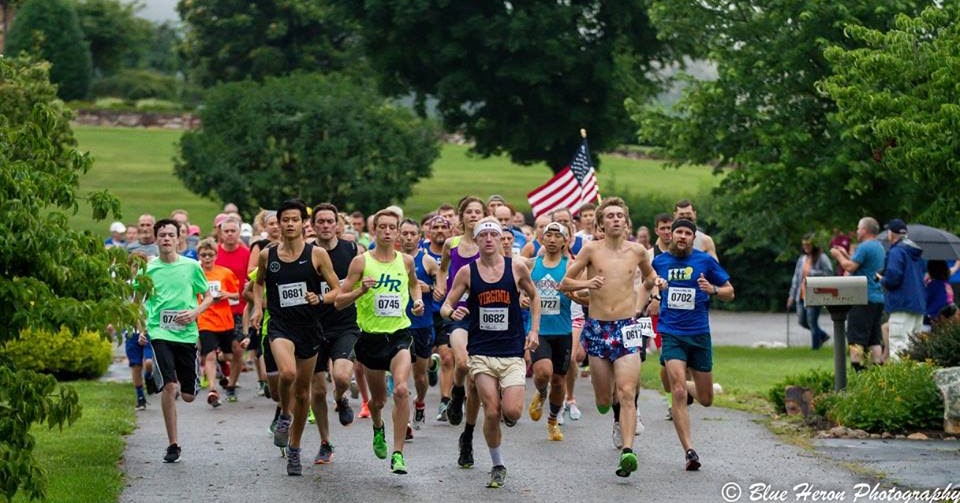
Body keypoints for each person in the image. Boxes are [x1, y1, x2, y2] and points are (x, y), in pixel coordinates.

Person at [559, 197, 658, 478]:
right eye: (610, 216)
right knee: (604, 398)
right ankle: (613, 411)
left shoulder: (638, 251)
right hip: (598, 328)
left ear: (626, 222)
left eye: (620, 216)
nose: (616, 219)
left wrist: (653, 290)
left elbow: (650, 278)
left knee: (627, 391)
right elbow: (564, 283)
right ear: (601, 223)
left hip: (627, 327)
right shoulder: (591, 249)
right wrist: (587, 283)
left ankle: (628, 451)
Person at [441, 217, 540, 488]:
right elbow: (446, 305)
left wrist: (534, 331)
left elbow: (535, 297)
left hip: (512, 351)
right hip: (481, 352)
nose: (488, 239)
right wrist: (451, 312)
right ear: (476, 240)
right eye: (482, 235)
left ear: (500, 239)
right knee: (492, 411)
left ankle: (502, 419)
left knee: (513, 412)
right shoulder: (467, 273)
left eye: (493, 235)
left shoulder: (516, 267)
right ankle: (498, 464)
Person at [251, 199, 341, 476]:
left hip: (309, 328)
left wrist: (320, 298)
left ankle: (295, 448)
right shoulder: (267, 255)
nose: (289, 224)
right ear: (278, 224)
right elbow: (257, 283)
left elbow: (337, 289)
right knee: (287, 373)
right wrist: (258, 307)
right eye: (285, 220)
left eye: (294, 219)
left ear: (303, 223)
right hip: (280, 326)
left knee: (303, 394)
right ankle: (284, 415)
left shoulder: (317, 254)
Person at [336, 208, 425, 475]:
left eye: (392, 227)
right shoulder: (361, 262)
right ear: (374, 231)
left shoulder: (406, 261)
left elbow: (414, 284)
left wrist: (418, 301)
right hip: (370, 338)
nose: (387, 231)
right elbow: (339, 301)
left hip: (399, 335)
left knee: (401, 390)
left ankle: (398, 453)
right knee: (378, 401)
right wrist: (361, 290)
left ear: (397, 232)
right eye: (382, 227)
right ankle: (378, 427)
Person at [653, 218, 734, 471]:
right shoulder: (659, 262)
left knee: (706, 399)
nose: (683, 236)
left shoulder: (704, 261)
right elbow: (645, 284)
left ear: (693, 238)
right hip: (671, 333)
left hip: (699, 334)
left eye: (688, 233)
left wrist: (712, 290)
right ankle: (689, 451)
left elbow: (730, 292)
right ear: (671, 235)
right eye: (679, 232)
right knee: (677, 391)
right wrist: (654, 290)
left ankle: (688, 385)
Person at [140, 218, 214, 463]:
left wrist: (194, 313)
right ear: (156, 238)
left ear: (179, 238)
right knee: (170, 386)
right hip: (159, 331)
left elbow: (208, 296)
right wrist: (141, 328)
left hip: (186, 334)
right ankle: (173, 444)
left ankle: (188, 380)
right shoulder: (147, 269)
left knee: (188, 396)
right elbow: (137, 303)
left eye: (171, 235)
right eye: (162, 235)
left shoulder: (191, 266)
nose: (166, 239)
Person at [309, 203, 363, 464]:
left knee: (341, 376)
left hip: (345, 324)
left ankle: (341, 397)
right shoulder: (307, 253)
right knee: (318, 391)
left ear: (337, 224)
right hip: (313, 327)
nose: (326, 226)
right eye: (320, 221)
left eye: (330, 221)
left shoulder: (351, 250)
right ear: (313, 226)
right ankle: (325, 442)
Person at [433, 197, 485, 468]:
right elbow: (443, 269)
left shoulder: (489, 244)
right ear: (461, 216)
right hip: (457, 313)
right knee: (462, 363)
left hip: (484, 316)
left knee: (475, 380)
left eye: (478, 212)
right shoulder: (451, 244)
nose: (474, 216)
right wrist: (442, 288)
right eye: (469, 212)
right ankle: (456, 393)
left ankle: (468, 435)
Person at [525, 222, 575, 441]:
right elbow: (518, 287)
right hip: (539, 330)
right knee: (543, 372)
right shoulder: (531, 264)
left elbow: (584, 292)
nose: (553, 239)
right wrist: (521, 297)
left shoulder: (570, 266)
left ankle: (553, 420)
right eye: (549, 235)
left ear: (565, 241)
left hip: (563, 330)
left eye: (558, 236)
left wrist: (579, 294)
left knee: (559, 380)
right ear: (541, 238)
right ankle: (541, 392)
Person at [398, 217, 439, 431]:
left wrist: (429, 289)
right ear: (398, 235)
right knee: (401, 377)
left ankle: (420, 401)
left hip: (422, 324)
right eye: (404, 233)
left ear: (420, 237)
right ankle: (404, 422)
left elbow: (443, 290)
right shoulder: (392, 260)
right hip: (398, 324)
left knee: (420, 376)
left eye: (412, 234)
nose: (408, 237)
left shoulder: (427, 261)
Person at [830, 217, 886, 371]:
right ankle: (877, 372)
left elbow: (850, 267)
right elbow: (861, 265)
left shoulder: (864, 246)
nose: (856, 231)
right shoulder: (879, 247)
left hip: (862, 297)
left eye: (858, 228)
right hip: (877, 297)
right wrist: (845, 254)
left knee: (856, 337)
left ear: (864, 230)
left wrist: (838, 255)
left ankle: (858, 370)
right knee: (874, 338)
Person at [196, 238, 242, 407]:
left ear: (216, 255)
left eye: (210, 254)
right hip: (205, 320)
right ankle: (213, 390)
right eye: (203, 255)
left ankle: (222, 361)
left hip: (224, 321)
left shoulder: (225, 273)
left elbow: (237, 295)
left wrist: (227, 294)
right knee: (209, 356)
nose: (207, 258)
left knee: (230, 355)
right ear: (199, 256)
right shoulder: (196, 275)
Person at [215, 216, 251, 401]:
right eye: (226, 231)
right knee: (223, 353)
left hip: (239, 308)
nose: (229, 234)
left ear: (239, 232)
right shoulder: (215, 254)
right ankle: (221, 360)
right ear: (221, 233)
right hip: (216, 309)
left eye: (233, 231)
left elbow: (251, 280)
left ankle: (231, 385)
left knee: (237, 349)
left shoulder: (246, 254)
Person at [879, 219, 925, 360]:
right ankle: (914, 374)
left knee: (898, 344)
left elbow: (893, 278)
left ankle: (900, 375)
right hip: (918, 305)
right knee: (914, 347)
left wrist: (882, 279)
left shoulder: (897, 251)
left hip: (902, 304)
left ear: (891, 234)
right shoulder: (915, 253)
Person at [787, 233, 834, 349]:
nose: (805, 247)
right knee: (802, 321)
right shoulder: (802, 259)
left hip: (815, 294)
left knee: (812, 321)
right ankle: (823, 336)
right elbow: (796, 278)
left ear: (814, 245)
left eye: (808, 245)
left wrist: (813, 273)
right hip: (801, 295)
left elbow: (829, 273)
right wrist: (791, 295)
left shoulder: (822, 258)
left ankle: (815, 348)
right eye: (804, 245)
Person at [925, 260, 954, 328]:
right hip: (945, 321)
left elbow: (922, 301)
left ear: (931, 271)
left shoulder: (933, 285)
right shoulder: (947, 284)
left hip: (931, 321)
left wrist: (924, 284)